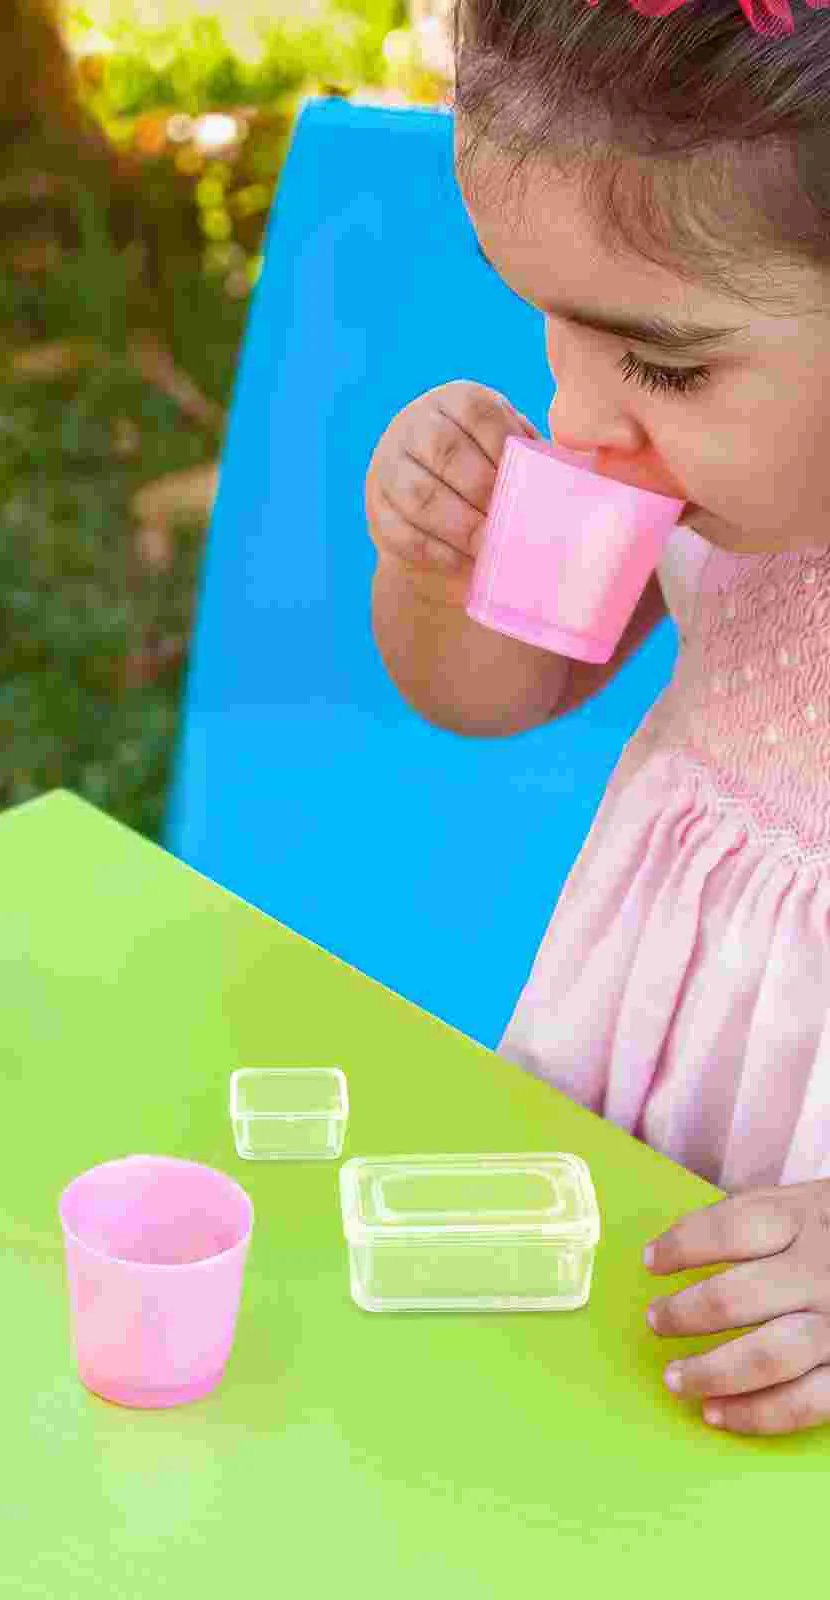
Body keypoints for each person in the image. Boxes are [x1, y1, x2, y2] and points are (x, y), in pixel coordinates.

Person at [365, 0, 830, 1435]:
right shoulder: (699, 488)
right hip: (642, 1168)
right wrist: (443, 562)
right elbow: (487, 696)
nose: (576, 418)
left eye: (667, 365)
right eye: (552, 331)